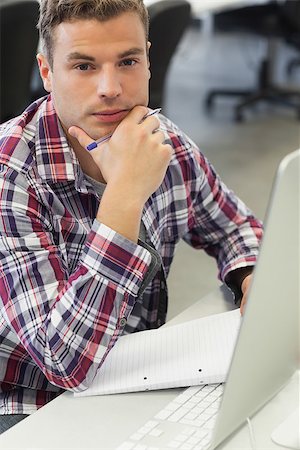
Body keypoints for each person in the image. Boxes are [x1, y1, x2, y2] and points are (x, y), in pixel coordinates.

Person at [0, 0, 263, 434]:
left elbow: (234, 225)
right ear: (47, 72)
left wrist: (251, 275)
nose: (111, 88)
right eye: (84, 66)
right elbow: (63, 364)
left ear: (148, 61)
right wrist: (125, 196)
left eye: (127, 61)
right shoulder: (12, 173)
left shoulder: (163, 141)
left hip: (134, 379)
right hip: (32, 403)